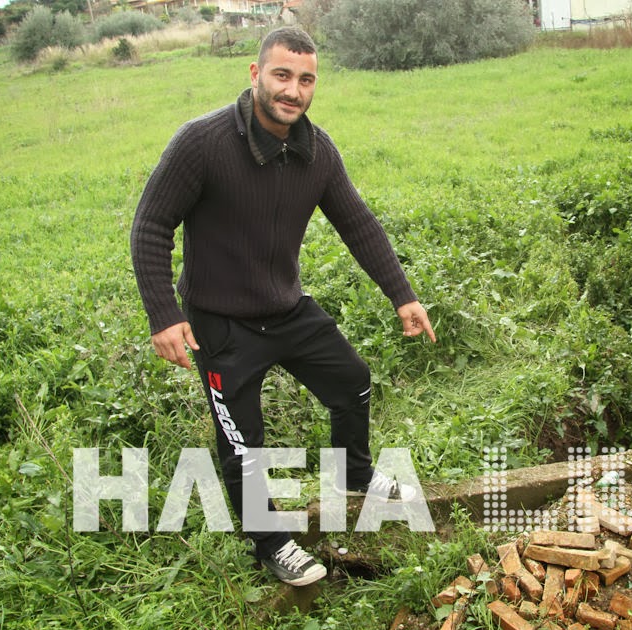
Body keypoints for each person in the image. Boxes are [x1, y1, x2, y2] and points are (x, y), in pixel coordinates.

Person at [130, 26, 436, 587]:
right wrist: (163, 314)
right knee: (243, 441)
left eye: (306, 79)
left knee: (353, 382)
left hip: (287, 308)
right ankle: (270, 543)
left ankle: (354, 477)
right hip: (220, 323)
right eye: (282, 75)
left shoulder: (316, 152)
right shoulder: (202, 142)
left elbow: (358, 224)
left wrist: (404, 296)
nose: (293, 90)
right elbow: (151, 225)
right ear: (255, 75)